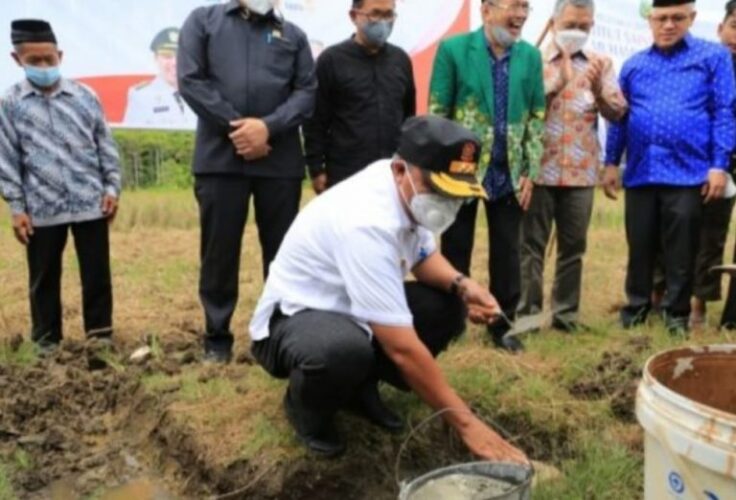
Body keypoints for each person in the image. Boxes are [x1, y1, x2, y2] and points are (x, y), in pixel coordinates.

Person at [249, 115, 528, 464]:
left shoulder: (403, 184)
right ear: (401, 171)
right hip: (293, 319)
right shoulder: (366, 221)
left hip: (352, 310)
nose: (447, 203)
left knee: (446, 306)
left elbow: (423, 256)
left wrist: (463, 285)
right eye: (439, 191)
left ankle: (358, 390)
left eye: (456, 196)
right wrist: (468, 425)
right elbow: (402, 349)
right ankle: (305, 407)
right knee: (342, 350)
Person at [178, 0, 317, 363]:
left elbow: (306, 94)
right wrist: (239, 129)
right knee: (219, 252)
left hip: (278, 159)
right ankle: (217, 338)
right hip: (220, 159)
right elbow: (191, 80)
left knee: (283, 253)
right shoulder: (202, 21)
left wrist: (267, 127)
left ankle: (279, 333)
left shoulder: (294, 35)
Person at [603, 0, 736, 334]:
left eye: (677, 18)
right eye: (661, 18)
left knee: (682, 249)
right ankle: (636, 308)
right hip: (641, 171)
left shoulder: (712, 58)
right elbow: (619, 118)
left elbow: (723, 112)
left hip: (688, 172)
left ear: (691, 18)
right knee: (640, 244)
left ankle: (676, 314)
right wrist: (609, 163)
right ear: (650, 20)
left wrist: (718, 165)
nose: (668, 25)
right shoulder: (634, 65)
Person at [429, 0, 546, 352]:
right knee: (455, 248)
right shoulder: (453, 50)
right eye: (514, 6)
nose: (521, 15)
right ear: (487, 9)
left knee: (508, 253)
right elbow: (438, 112)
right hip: (461, 171)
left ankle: (503, 325)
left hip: (508, 172)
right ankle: (449, 323)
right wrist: (439, 170)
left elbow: (538, 116)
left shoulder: (530, 56)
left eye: (526, 7)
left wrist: (531, 170)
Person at [0, 20, 121, 352]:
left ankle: (100, 341)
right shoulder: (10, 104)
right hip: (41, 209)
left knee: (97, 276)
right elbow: (7, 160)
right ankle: (46, 346)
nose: (43, 67)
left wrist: (112, 188)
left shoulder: (84, 96)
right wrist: (17, 208)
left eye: (49, 60)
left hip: (89, 202)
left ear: (60, 56)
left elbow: (105, 145)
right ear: (17, 59)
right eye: (34, 61)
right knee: (43, 280)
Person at [518, 0, 627, 332]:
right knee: (530, 247)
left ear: (592, 26)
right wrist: (558, 83)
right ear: (553, 23)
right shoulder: (531, 60)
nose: (576, 32)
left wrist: (596, 89)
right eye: (570, 24)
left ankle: (565, 317)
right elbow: (520, 110)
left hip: (581, 174)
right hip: (537, 170)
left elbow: (618, 112)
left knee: (573, 249)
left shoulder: (600, 64)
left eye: (583, 26)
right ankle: (527, 316)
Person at [303, 0, 416, 194]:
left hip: (392, 175)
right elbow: (316, 120)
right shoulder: (331, 60)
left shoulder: (401, 60)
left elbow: (408, 117)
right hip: (345, 175)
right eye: (375, 14)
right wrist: (316, 170)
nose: (382, 21)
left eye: (389, 15)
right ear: (354, 16)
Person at [123, 27, 197, 129]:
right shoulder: (142, 97)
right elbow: (132, 141)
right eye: (167, 56)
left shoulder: (201, 93)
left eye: (179, 56)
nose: (174, 63)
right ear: (156, 58)